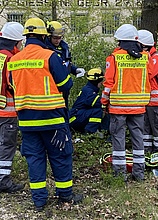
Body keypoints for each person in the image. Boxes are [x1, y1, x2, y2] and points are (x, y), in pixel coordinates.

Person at [7, 17, 83, 211]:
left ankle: (39, 200)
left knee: (35, 159)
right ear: (44, 36)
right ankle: (65, 195)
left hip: (26, 122)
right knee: (60, 156)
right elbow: (66, 84)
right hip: (53, 119)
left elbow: (10, 86)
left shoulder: (14, 60)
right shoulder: (49, 56)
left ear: (25, 37)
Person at [101, 24, 153, 182]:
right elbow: (148, 77)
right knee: (138, 138)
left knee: (118, 139)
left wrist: (104, 101)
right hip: (138, 106)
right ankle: (139, 173)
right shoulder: (145, 57)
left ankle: (120, 174)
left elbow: (109, 83)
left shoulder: (114, 58)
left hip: (118, 107)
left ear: (120, 41)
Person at [0, 22, 25, 193]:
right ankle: (3, 180)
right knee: (7, 145)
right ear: (15, 42)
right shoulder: (10, 58)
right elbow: (13, 84)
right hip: (6, 110)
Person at [46, 21, 85, 108]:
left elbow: (65, 63)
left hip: (65, 88)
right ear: (49, 36)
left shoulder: (63, 47)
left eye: (60, 38)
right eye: (55, 38)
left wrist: (75, 70)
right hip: (53, 88)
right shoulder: (46, 49)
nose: (58, 40)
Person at [138, 29, 158, 153]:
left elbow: (148, 74)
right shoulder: (148, 57)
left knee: (157, 129)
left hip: (155, 102)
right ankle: (147, 150)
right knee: (146, 129)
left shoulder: (155, 58)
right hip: (146, 101)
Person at [69, 68, 105, 134]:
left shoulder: (88, 89)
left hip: (76, 117)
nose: (102, 83)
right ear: (97, 81)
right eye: (101, 80)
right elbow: (100, 103)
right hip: (74, 118)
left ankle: (87, 130)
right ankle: (89, 132)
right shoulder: (89, 92)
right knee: (98, 111)